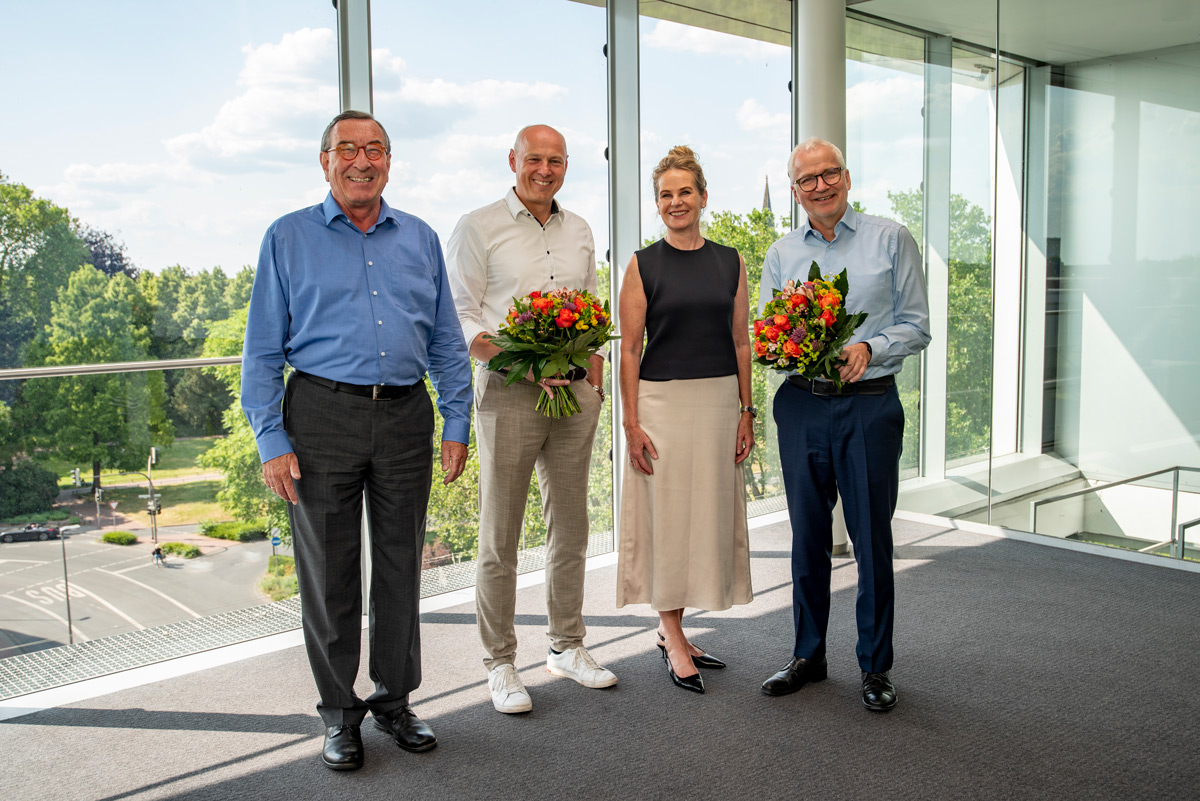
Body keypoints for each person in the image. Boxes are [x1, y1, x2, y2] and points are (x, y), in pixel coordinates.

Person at [241, 110, 472, 770]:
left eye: (374, 149)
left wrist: (456, 422)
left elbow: (448, 342)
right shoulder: (286, 237)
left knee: (401, 565)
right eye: (348, 149)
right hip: (319, 416)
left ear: (389, 163)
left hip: (405, 417)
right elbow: (260, 350)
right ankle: (340, 713)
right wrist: (270, 436)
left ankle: (395, 700)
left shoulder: (420, 238)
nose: (361, 160)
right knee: (330, 574)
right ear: (325, 161)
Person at [446, 124, 616, 715]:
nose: (544, 170)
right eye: (534, 159)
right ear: (512, 160)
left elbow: (594, 307)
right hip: (510, 392)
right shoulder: (478, 226)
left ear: (566, 166)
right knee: (502, 535)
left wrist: (593, 371)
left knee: (570, 526)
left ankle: (567, 646)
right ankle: (500, 663)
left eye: (556, 161)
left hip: (574, 397)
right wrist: (523, 366)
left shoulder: (580, 229)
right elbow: (461, 316)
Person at [759, 137, 931, 712]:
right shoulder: (782, 253)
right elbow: (768, 333)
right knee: (807, 538)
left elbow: (917, 324)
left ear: (847, 177)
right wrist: (790, 345)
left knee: (871, 541)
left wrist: (871, 345)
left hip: (868, 405)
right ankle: (808, 655)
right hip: (803, 406)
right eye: (807, 180)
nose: (820, 186)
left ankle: (875, 666)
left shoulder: (890, 239)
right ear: (795, 190)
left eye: (828, 174)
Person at [616, 146, 755, 695]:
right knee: (669, 520)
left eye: (685, 192)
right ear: (658, 204)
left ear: (703, 197)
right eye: (665, 195)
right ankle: (671, 632)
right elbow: (629, 351)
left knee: (708, 515)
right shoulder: (642, 264)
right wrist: (630, 424)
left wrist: (747, 411)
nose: (676, 202)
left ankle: (678, 626)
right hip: (662, 407)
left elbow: (742, 340)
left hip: (720, 402)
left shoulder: (731, 260)